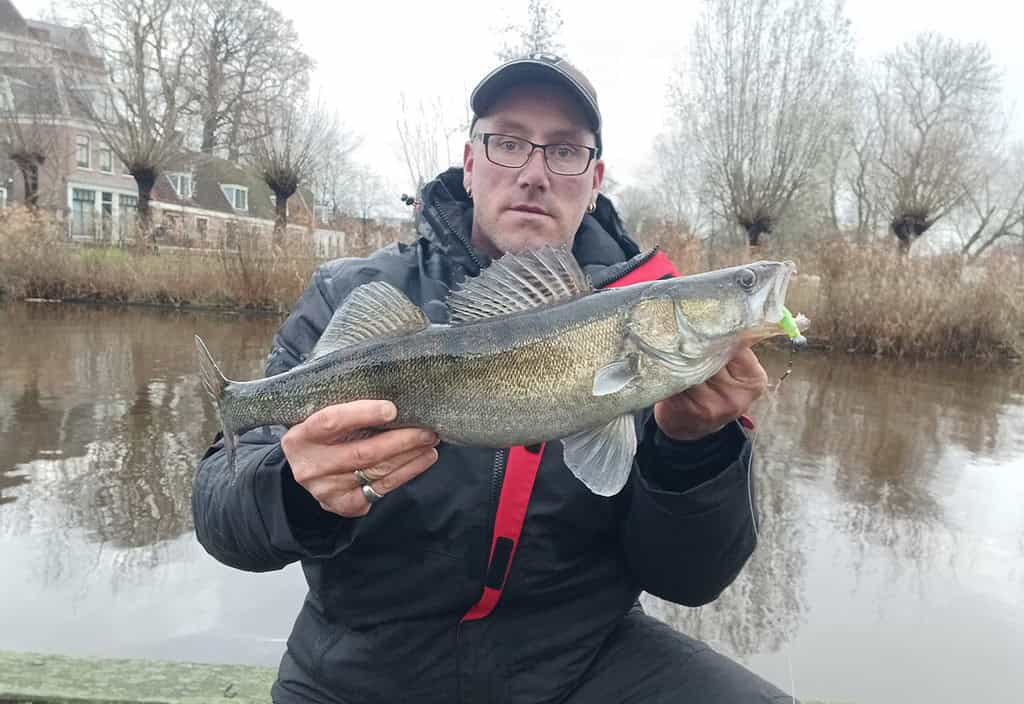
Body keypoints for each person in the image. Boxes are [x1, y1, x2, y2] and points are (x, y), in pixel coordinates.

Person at [193, 54, 795, 704]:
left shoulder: (653, 334)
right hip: (364, 667)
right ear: (471, 162)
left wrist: (694, 450)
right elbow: (223, 515)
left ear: (594, 180)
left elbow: (690, 580)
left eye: (564, 152)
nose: (534, 173)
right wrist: (295, 489)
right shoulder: (350, 293)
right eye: (508, 142)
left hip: (580, 660)